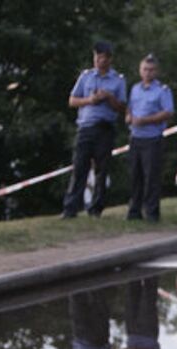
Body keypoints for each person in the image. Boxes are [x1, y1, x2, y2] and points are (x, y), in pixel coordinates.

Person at [61, 41, 127, 219]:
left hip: (105, 128)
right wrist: (90, 100)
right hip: (85, 127)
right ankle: (70, 208)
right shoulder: (86, 76)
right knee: (79, 167)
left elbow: (122, 108)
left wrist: (109, 97)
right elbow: (72, 101)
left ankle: (96, 208)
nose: (99, 61)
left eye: (102, 58)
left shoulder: (118, 80)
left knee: (101, 170)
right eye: (96, 57)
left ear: (109, 59)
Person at [125, 54, 174, 222]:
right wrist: (129, 116)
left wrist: (145, 120)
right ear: (140, 70)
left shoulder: (162, 90)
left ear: (156, 72)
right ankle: (134, 211)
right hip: (135, 138)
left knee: (151, 178)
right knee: (135, 177)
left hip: (152, 139)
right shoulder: (135, 88)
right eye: (145, 69)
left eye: (151, 70)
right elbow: (130, 107)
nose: (148, 73)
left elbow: (168, 112)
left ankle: (152, 213)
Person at [122, 277, 166, 349]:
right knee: (148, 296)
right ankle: (151, 270)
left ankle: (132, 268)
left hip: (132, 333)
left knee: (131, 295)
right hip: (148, 334)